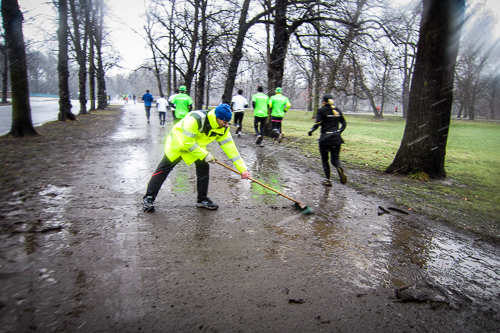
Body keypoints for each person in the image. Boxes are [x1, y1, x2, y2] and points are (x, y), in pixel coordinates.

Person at [142, 104, 252, 212]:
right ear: (217, 118)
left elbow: (231, 149)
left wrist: (243, 169)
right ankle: (149, 197)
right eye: (224, 122)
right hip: (178, 145)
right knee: (163, 169)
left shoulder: (222, 128)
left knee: (204, 167)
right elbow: (187, 142)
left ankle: (202, 199)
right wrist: (205, 155)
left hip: (196, 147)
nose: (226, 125)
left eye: (228, 122)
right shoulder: (195, 119)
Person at [308, 94, 347, 186]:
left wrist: (311, 130)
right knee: (335, 160)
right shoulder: (337, 110)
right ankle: (339, 167)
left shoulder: (322, 110)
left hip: (325, 139)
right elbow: (344, 123)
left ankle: (328, 180)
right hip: (336, 139)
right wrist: (339, 131)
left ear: (324, 102)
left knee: (325, 160)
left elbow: (318, 123)